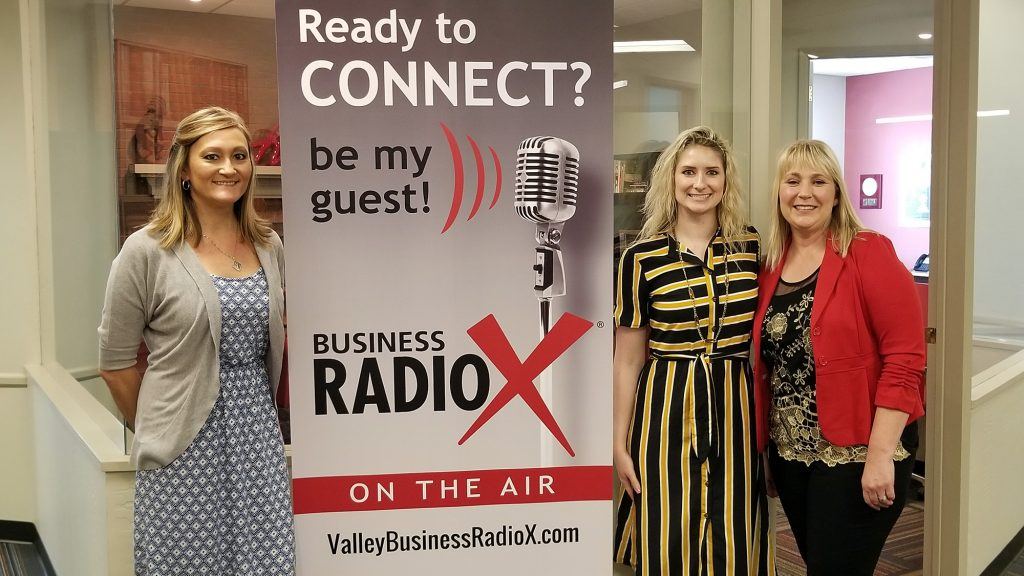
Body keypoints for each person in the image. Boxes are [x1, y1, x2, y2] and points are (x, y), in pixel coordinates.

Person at [98, 106, 294, 574]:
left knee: (264, 562)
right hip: (182, 449)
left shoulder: (268, 244)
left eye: (239, 155)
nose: (229, 168)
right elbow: (115, 361)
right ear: (184, 168)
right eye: (212, 156)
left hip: (257, 442)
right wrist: (159, 427)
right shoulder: (147, 250)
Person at [752, 140, 925, 575]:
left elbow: (905, 358)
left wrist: (881, 455)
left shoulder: (868, 251)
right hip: (793, 456)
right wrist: (770, 450)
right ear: (779, 191)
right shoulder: (771, 264)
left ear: (836, 192)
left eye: (818, 181)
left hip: (858, 453)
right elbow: (773, 370)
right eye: (792, 181)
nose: (804, 193)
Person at [613, 126, 774, 575]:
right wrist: (618, 443)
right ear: (671, 179)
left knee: (737, 531)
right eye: (688, 172)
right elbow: (627, 361)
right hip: (665, 407)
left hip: (735, 407)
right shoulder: (640, 259)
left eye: (711, 172)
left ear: (726, 181)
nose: (699, 183)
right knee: (668, 530)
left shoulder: (750, 247)